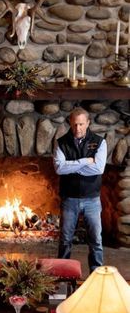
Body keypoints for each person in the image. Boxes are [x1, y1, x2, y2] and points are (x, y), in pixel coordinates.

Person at [53, 107, 107, 273]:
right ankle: (62, 276)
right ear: (70, 123)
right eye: (75, 124)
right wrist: (85, 161)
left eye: (81, 124)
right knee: (65, 239)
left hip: (92, 199)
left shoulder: (100, 142)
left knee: (96, 240)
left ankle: (96, 277)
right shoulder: (61, 142)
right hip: (69, 199)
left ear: (88, 123)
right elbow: (59, 169)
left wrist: (72, 165)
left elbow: (98, 169)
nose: (78, 128)